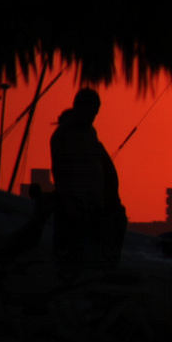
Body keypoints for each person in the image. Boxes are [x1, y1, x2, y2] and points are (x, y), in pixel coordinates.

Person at [49, 88, 125, 278]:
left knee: (95, 256)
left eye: (96, 113)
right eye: (91, 112)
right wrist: (69, 205)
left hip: (95, 206)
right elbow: (60, 173)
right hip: (75, 207)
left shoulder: (90, 132)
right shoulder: (63, 135)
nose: (93, 117)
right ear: (79, 108)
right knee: (75, 259)